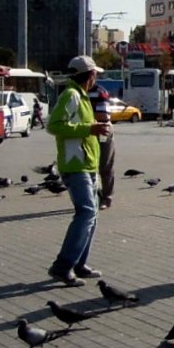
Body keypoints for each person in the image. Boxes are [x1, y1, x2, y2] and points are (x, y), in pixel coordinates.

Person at [47, 55, 110, 286]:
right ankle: (62, 266)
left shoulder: (82, 96)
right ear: (90, 75)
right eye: (95, 74)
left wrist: (95, 129)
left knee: (91, 215)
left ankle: (80, 263)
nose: (96, 78)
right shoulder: (71, 95)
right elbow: (54, 125)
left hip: (87, 163)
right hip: (75, 165)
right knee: (86, 213)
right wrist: (90, 128)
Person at [86, 78, 116, 209]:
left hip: (102, 130)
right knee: (86, 166)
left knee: (104, 165)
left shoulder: (99, 92)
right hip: (86, 130)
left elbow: (103, 116)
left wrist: (84, 117)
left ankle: (106, 197)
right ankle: (93, 196)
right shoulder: (75, 93)